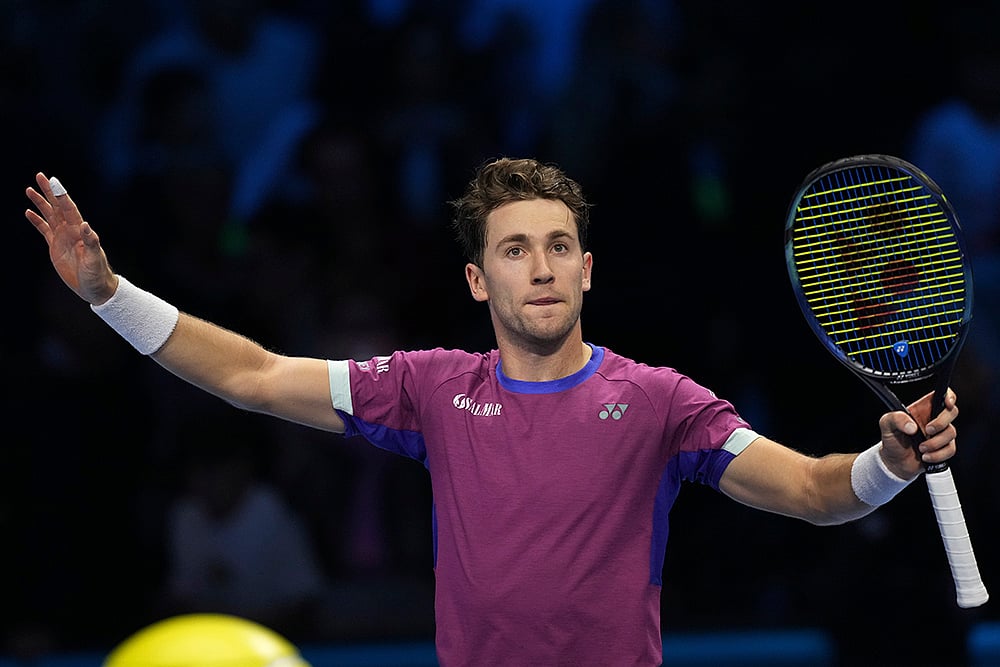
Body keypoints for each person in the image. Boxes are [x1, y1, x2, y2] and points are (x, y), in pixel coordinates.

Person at [24, 158, 960, 667]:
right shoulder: (429, 387)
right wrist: (111, 295)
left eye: (560, 245)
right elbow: (258, 376)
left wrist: (888, 464)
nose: (542, 265)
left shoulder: (661, 401)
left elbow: (807, 488)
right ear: (478, 279)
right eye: (515, 249)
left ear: (588, 268)